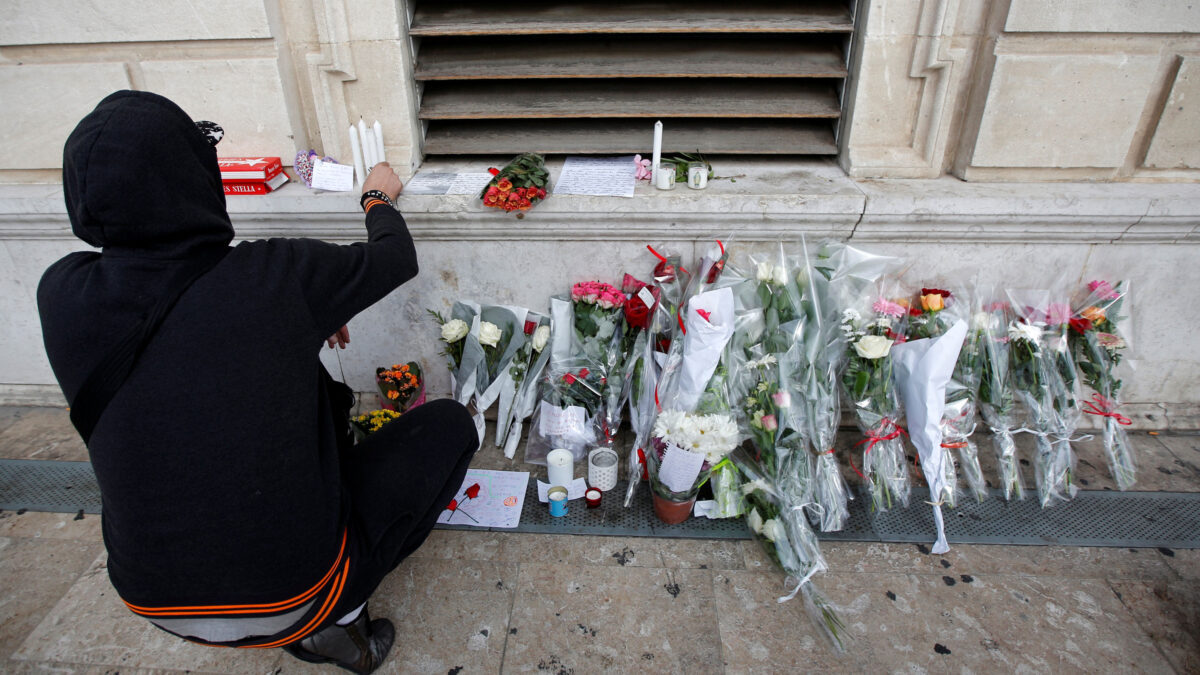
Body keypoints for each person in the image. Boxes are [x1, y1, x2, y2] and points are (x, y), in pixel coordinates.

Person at [37, 90, 478, 673]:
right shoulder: (275, 276)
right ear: (191, 178)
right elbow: (394, 259)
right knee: (450, 426)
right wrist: (376, 197)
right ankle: (338, 620)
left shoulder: (61, 293)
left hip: (150, 596)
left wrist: (302, 320)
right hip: (293, 593)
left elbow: (194, 361)